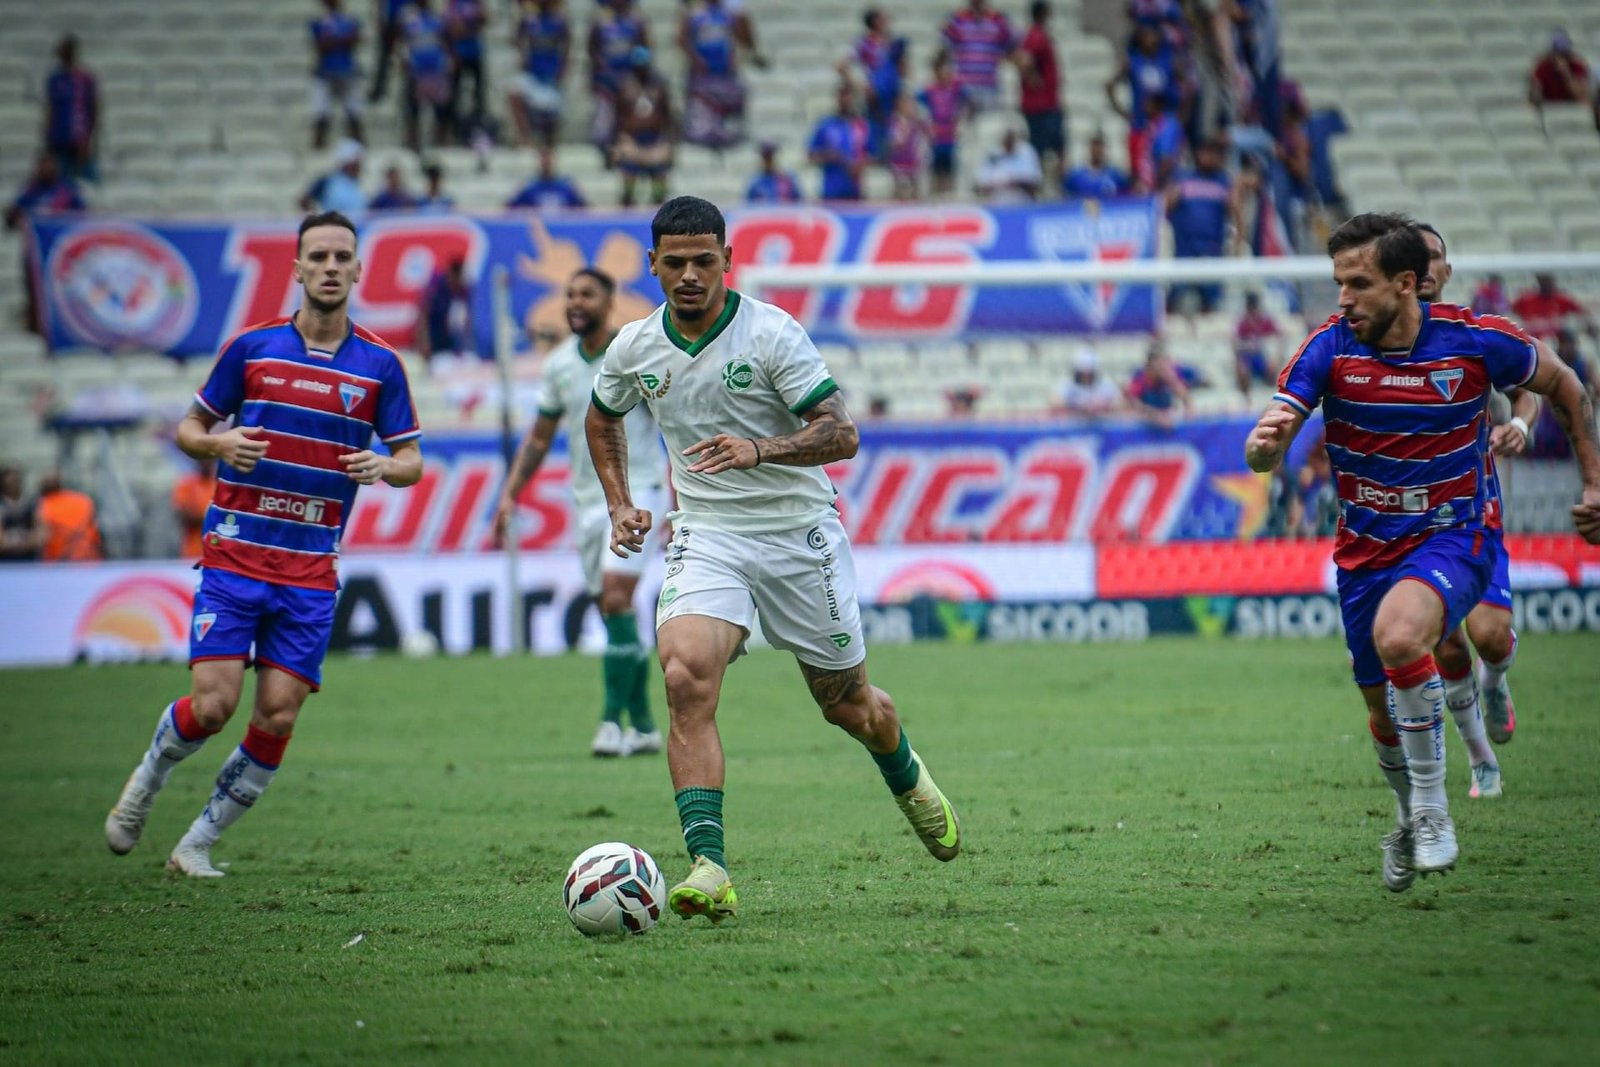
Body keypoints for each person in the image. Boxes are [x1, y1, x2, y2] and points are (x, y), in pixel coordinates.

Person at [585, 196, 963, 922]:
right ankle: (709, 866)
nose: (690, 275)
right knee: (684, 675)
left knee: (848, 706)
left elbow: (841, 433)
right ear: (653, 265)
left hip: (798, 534)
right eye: (675, 262)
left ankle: (905, 769)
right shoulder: (634, 346)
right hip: (708, 532)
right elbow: (603, 416)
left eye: (704, 261)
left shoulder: (771, 333)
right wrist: (620, 501)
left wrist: (758, 449)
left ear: (727, 261)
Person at [1244, 213, 1600, 893]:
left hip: (1454, 534)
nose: (1343, 298)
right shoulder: (1329, 346)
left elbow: (1565, 385)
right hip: (1364, 551)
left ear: (1406, 284)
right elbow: (1269, 439)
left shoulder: (1475, 340)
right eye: (1339, 282)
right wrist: (1263, 448)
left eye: (1358, 284)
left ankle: (1438, 808)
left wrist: (1593, 482)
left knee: (1406, 634)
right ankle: (1409, 816)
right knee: (1381, 712)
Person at [104, 210, 424, 879]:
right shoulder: (252, 348)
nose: (331, 267)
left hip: (310, 567)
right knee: (213, 706)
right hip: (236, 554)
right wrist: (219, 443)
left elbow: (411, 460)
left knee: (277, 717)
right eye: (319, 256)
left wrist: (383, 466)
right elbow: (190, 428)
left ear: (359, 269)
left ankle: (195, 844)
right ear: (298, 268)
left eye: (342, 257)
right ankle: (148, 778)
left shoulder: (380, 365)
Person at [492, 269, 666, 757]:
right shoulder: (560, 364)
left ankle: (610, 723)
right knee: (614, 612)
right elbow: (539, 438)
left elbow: (671, 426)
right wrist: (509, 494)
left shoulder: (631, 356)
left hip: (640, 494)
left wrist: (678, 501)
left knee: (615, 596)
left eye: (587, 294)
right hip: (589, 502)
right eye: (570, 294)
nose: (575, 302)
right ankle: (645, 726)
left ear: (610, 302)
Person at [1415, 222, 1540, 799]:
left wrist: (1520, 426)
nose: (1424, 267)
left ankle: (1495, 680)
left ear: (1447, 270)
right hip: (1413, 522)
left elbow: (1532, 388)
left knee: (1488, 636)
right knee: (1443, 644)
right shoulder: (1376, 342)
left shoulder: (1475, 336)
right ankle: (1480, 759)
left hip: (1474, 513)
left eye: (1433, 256)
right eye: (1414, 256)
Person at [1165, 137, 1242, 314]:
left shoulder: (1223, 182)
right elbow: (1165, 207)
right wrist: (1172, 196)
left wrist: (1238, 242)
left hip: (1211, 249)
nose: (1209, 157)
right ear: (1197, 154)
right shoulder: (1183, 179)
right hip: (1184, 249)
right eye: (1205, 152)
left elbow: (1236, 213)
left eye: (1214, 153)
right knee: (1176, 296)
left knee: (1211, 300)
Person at [611, 46, 675, 207]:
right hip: (632, 139)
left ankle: (658, 203)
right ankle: (628, 201)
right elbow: (618, 117)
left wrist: (666, 141)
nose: (641, 71)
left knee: (660, 173)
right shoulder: (624, 87)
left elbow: (667, 114)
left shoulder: (659, 87)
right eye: (638, 68)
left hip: (654, 139)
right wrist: (622, 139)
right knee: (628, 170)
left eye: (644, 67)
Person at [679, 0, 747, 149]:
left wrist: (736, 57)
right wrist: (696, 60)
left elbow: (742, 39)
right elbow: (681, 40)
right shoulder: (694, 14)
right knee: (702, 109)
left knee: (728, 106)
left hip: (725, 72)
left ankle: (729, 137)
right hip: (702, 74)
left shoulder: (729, 14)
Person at [840, 9, 907, 160]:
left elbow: (904, 72)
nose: (887, 22)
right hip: (875, 99)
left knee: (898, 141)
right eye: (882, 19)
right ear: (875, 22)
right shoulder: (863, 43)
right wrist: (862, 86)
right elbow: (842, 67)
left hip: (893, 97)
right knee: (875, 139)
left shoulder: (892, 44)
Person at [588, 0, 651, 151]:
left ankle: (628, 145)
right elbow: (592, 49)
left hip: (628, 78)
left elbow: (643, 49)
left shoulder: (636, 22)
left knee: (629, 112)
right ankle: (604, 147)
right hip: (605, 78)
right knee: (604, 116)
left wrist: (638, 71)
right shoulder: (600, 21)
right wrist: (600, 65)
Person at [509, 0, 571, 149]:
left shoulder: (559, 21)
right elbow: (516, 38)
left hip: (551, 76)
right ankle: (525, 137)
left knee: (552, 115)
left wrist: (563, 68)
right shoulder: (529, 20)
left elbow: (567, 46)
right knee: (514, 94)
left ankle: (550, 147)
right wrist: (523, 55)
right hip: (532, 74)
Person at [1017, 1, 1065, 186]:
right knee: (1047, 147)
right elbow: (1024, 61)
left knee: (1051, 145)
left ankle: (1045, 183)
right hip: (1041, 104)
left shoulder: (1037, 35)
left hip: (1045, 103)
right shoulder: (1036, 36)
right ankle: (1043, 184)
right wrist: (1035, 80)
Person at [940, 0, 1017, 112]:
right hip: (965, 88)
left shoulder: (997, 20)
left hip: (989, 87)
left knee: (990, 120)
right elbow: (944, 39)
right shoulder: (959, 19)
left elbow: (1013, 40)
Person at [309, 0, 365, 149]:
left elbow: (354, 40)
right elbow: (320, 44)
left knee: (354, 112)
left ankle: (359, 146)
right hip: (325, 71)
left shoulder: (349, 21)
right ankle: (318, 148)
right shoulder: (319, 22)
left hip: (347, 71)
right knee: (321, 113)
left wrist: (333, 40)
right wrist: (340, 40)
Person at [44, 35, 99, 183]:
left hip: (80, 140)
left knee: (88, 181)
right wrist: (48, 140)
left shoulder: (85, 79)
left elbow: (93, 110)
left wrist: (89, 139)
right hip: (59, 140)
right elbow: (51, 110)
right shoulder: (55, 79)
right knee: (62, 183)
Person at [401, 0, 454, 151]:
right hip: (417, 70)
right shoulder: (410, 21)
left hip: (436, 70)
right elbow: (405, 43)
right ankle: (413, 142)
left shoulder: (437, 21)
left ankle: (440, 143)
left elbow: (446, 42)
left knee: (440, 110)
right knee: (413, 109)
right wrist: (405, 61)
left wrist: (448, 61)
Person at [917, 53, 970, 198]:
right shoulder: (929, 90)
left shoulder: (957, 89)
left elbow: (968, 104)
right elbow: (919, 109)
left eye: (949, 72)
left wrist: (961, 121)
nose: (947, 75)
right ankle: (935, 198)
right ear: (937, 73)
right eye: (943, 72)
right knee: (935, 172)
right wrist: (927, 128)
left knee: (951, 171)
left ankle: (950, 198)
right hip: (936, 137)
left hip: (951, 137)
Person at [809, 83, 870, 202]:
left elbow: (871, 153)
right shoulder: (826, 124)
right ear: (837, 99)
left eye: (849, 97)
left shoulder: (861, 125)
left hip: (855, 190)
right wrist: (829, 156)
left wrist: (860, 165)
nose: (846, 101)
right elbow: (811, 155)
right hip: (831, 191)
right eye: (842, 96)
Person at [1529, 30, 1597, 129]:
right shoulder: (1542, 67)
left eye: (1564, 54)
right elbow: (1535, 93)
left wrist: (1566, 74)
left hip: (1572, 105)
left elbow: (1581, 94)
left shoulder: (1577, 66)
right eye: (1557, 53)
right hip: (1549, 106)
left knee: (1587, 104)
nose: (1561, 57)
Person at [1511, 273, 1599, 344]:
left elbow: (1582, 311)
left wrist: (1589, 324)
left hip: (1559, 342)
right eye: (1544, 282)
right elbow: (1511, 312)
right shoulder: (1526, 299)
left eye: (1549, 282)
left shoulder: (1561, 298)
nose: (1547, 286)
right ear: (1539, 283)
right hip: (1533, 340)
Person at [443, 0, 488, 137]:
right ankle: (452, 130)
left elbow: (484, 20)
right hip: (459, 54)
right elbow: (452, 28)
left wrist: (467, 27)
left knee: (479, 93)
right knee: (454, 94)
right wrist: (469, 27)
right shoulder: (453, 4)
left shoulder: (475, 3)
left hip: (475, 53)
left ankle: (479, 126)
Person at [36, 472, 103, 562]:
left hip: (60, 563)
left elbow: (42, 537)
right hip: (90, 559)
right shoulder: (84, 500)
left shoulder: (45, 505)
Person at [417, 258, 473, 361]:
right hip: (433, 334)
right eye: (457, 279)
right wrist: (424, 342)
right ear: (451, 274)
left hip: (447, 336)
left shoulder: (461, 287)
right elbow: (423, 315)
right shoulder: (435, 286)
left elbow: (468, 316)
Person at [1126, 342, 1191, 428]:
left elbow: (1186, 400)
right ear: (1150, 365)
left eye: (1165, 363)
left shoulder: (1170, 377)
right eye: (1159, 364)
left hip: (1165, 416)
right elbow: (1132, 404)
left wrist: (1172, 381)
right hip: (1145, 420)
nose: (1164, 367)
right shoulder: (1140, 379)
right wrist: (1156, 416)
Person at [300, 139, 367, 216]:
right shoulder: (329, 181)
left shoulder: (358, 184)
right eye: (356, 163)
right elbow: (304, 200)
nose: (359, 166)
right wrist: (317, 218)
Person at [974, 126, 1042, 202]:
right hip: (998, 203)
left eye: (1011, 137)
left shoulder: (1027, 152)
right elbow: (982, 185)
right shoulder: (993, 154)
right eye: (1006, 137)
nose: (1008, 139)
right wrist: (999, 184)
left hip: (1023, 201)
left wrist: (1014, 183)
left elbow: (1034, 182)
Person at [507, 146, 587, 209]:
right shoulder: (529, 186)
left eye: (548, 159)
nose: (546, 162)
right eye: (543, 159)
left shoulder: (566, 186)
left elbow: (584, 208)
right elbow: (510, 208)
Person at [1232, 291, 1279, 398]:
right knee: (1243, 369)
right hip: (1246, 356)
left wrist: (1275, 357)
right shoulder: (1242, 323)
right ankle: (1246, 397)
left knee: (1271, 367)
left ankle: (1271, 395)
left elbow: (1278, 337)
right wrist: (1238, 360)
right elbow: (1234, 342)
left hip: (1261, 355)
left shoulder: (1265, 321)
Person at [1054, 347, 1123, 418]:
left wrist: (1104, 406)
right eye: (1083, 372)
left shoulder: (1105, 384)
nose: (1086, 375)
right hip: (1076, 419)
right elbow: (1056, 401)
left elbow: (1119, 403)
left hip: (1101, 420)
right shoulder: (1069, 384)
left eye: (1089, 373)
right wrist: (1077, 407)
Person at [171, 458, 218, 560]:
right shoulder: (187, 483)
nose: (205, 463)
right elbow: (183, 515)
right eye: (202, 459)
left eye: (208, 460)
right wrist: (212, 516)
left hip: (216, 551)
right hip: (193, 551)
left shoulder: (219, 484)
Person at [1061, 133, 1131, 200]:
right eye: (1094, 148)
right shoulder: (1076, 175)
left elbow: (1126, 196)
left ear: (1104, 150)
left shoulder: (1115, 175)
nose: (1097, 151)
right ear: (1089, 150)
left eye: (1099, 148)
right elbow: (1067, 197)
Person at [0, 466, 40, 563]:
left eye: (15, 481)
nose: (12, 485)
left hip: (29, 556)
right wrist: (8, 544)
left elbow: (41, 529)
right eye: (9, 483)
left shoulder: (31, 503)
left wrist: (30, 542)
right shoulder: (2, 504)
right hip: (4, 558)